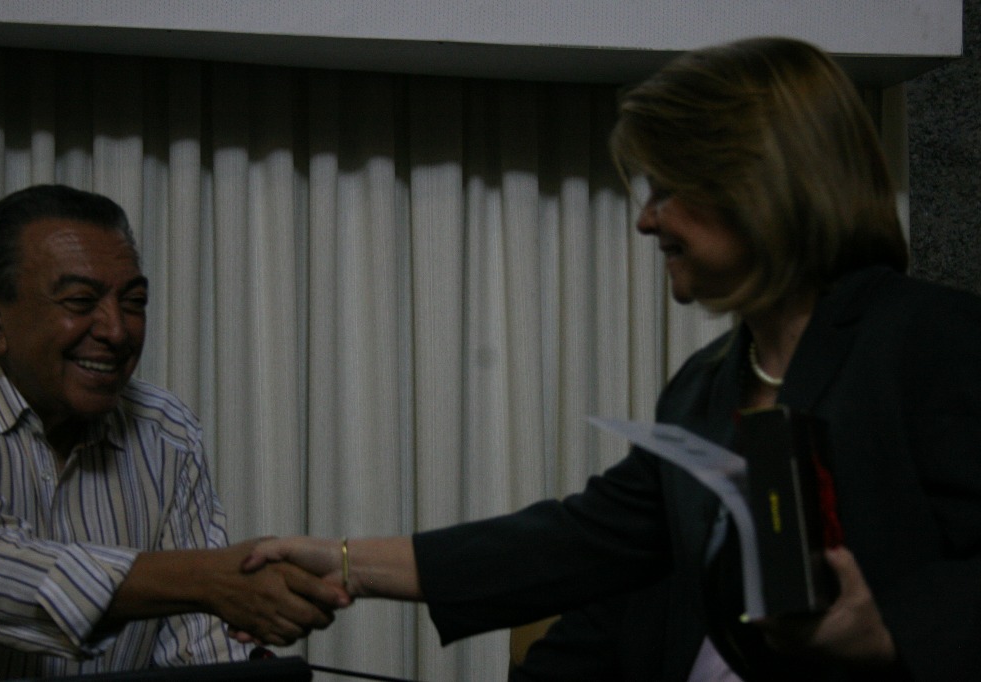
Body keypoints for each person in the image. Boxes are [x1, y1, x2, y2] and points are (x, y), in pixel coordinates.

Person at [244, 37, 981, 680]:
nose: (645, 219)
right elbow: (582, 540)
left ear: (762, 185)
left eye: (667, 187)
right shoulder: (703, 386)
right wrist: (346, 562)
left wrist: (889, 630)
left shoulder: (939, 342)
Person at [0, 184, 346, 680]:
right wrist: (204, 578)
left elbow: (200, 645)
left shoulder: (165, 430)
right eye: (80, 301)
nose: (116, 331)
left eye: (134, 302)